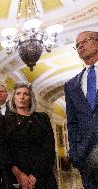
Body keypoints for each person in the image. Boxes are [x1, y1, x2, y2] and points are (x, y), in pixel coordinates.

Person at [0, 82, 57, 189]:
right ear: (13, 98)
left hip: (42, 176)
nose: (22, 97)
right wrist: (19, 175)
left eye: (26, 94)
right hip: (15, 177)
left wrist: (35, 175)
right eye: (18, 94)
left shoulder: (42, 118)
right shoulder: (4, 121)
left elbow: (49, 148)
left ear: (30, 98)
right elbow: (3, 151)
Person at [64, 31, 98, 188]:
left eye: (85, 41)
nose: (80, 46)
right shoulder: (71, 85)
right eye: (77, 45)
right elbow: (72, 122)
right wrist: (75, 153)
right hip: (85, 156)